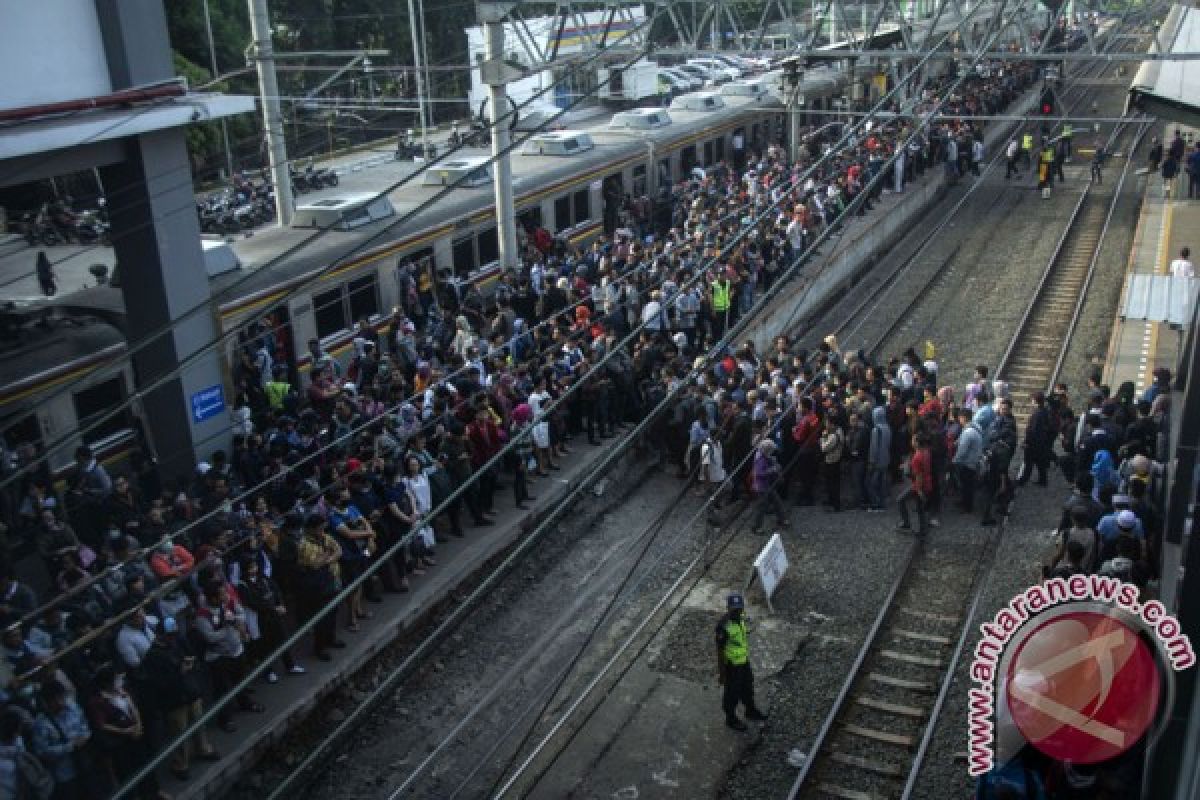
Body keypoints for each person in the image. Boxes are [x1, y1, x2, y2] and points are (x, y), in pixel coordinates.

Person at [714, 592, 767, 732]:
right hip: (731, 667)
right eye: (734, 609)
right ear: (728, 608)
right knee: (732, 694)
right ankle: (730, 719)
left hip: (743, 662)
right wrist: (722, 674)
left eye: (739, 608)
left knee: (748, 687)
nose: (737, 611)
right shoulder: (723, 627)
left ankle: (750, 710)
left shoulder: (741, 618)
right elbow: (719, 651)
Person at [897, 433, 932, 534]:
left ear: (917, 442)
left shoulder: (917, 457)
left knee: (900, 500)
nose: (911, 442)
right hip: (927, 483)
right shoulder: (926, 452)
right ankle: (922, 529)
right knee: (920, 508)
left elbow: (919, 475)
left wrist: (919, 490)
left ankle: (907, 524)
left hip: (919, 485)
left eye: (913, 440)